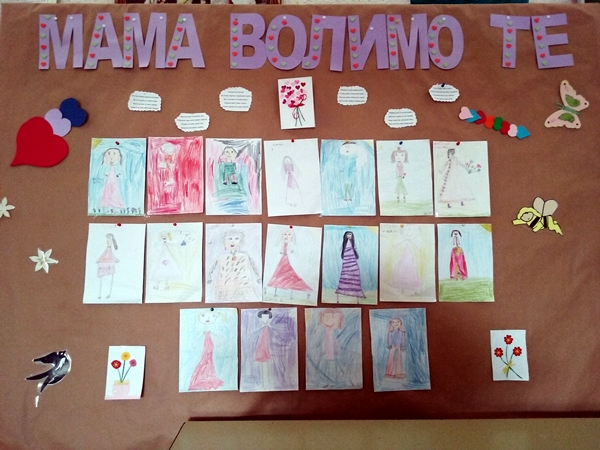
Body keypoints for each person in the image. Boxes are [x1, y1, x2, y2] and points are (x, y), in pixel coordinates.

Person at [207, 228, 261, 301]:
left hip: (242, 284)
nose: (233, 241)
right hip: (225, 284)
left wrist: (258, 277)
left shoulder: (244, 256)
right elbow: (212, 268)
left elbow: (253, 266)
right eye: (230, 238)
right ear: (224, 241)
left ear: (241, 241)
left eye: (236, 239)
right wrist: (209, 278)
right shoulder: (221, 256)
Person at [266, 228, 312, 300]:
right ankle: (276, 292)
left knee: (290, 275)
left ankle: (290, 294)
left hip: (287, 259)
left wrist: (291, 252)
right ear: (282, 235)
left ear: (292, 237)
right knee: (279, 273)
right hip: (283, 259)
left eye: (289, 234)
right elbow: (281, 250)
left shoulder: (290, 244)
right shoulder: (283, 243)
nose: (287, 236)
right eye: (285, 234)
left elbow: (291, 250)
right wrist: (282, 252)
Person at [189, 309, 225, 391]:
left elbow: (215, 335)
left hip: (209, 345)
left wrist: (218, 341)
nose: (208, 318)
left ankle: (206, 376)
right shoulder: (203, 329)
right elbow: (199, 337)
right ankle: (201, 377)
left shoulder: (212, 329)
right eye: (203, 316)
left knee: (208, 360)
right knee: (205, 360)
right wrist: (194, 343)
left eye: (213, 316)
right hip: (205, 346)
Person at [335, 231, 366, 302]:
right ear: (345, 236)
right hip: (346, 263)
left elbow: (354, 250)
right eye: (348, 234)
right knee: (345, 277)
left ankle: (356, 297)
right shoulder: (344, 244)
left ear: (352, 236)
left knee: (354, 275)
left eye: (350, 235)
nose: (349, 236)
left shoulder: (353, 244)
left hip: (352, 263)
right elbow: (342, 251)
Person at [254, 310, 274, 389]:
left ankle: (267, 383)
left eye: (266, 319)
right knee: (263, 367)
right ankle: (264, 384)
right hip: (261, 352)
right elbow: (259, 341)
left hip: (267, 351)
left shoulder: (269, 329)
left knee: (266, 367)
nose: (265, 321)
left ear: (269, 319)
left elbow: (270, 341)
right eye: (263, 319)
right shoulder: (261, 329)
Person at [97, 233, 118, 299]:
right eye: (107, 239)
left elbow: (109, 256)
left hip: (108, 265)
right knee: (104, 280)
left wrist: (115, 259)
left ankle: (106, 294)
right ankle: (102, 294)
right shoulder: (108, 249)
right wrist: (99, 260)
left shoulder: (109, 249)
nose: (108, 240)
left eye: (109, 239)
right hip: (105, 265)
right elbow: (104, 256)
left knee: (107, 280)